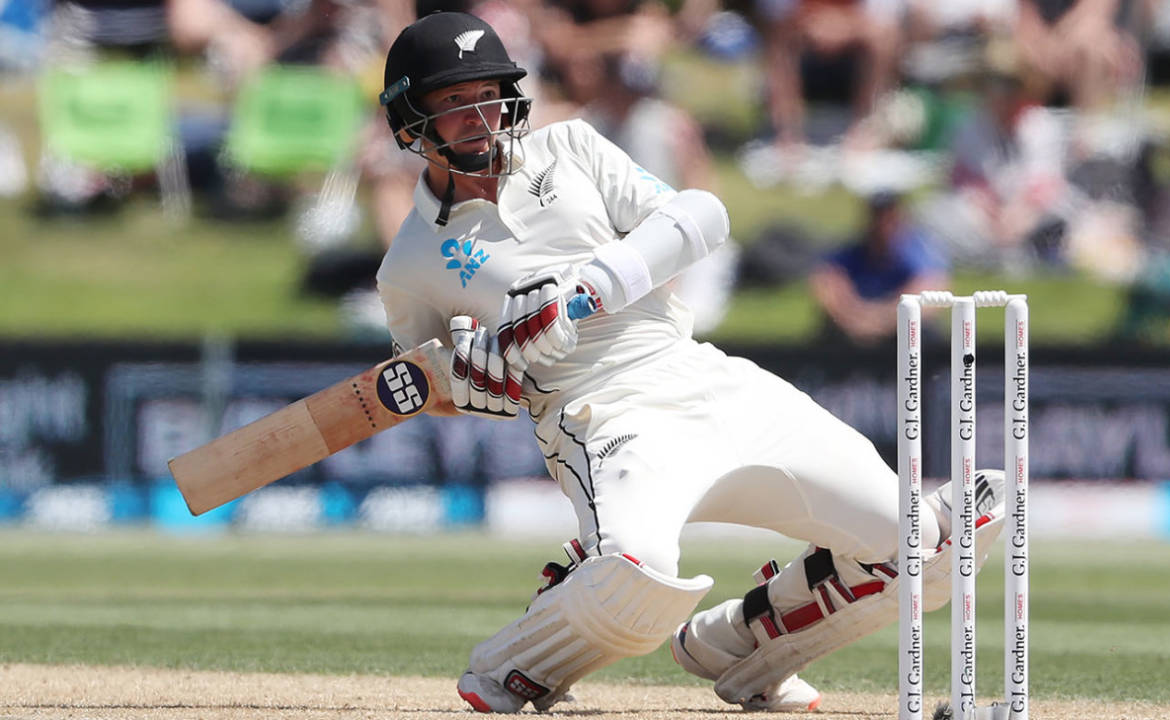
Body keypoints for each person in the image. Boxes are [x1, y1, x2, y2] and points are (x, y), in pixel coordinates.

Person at [375, 12, 1008, 714]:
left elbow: (699, 216)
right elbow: (429, 382)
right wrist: (471, 376)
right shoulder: (408, 265)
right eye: (456, 101)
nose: (481, 116)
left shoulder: (572, 147)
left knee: (923, 549)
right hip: (600, 414)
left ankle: (737, 644)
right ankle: (512, 665)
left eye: (490, 94)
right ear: (412, 117)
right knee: (637, 584)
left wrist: (580, 292)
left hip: (703, 375)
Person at [811, 191, 950, 344]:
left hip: (899, 328)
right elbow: (827, 284)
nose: (884, 224)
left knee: (921, 330)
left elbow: (929, 289)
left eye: (889, 217)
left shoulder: (917, 250)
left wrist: (881, 319)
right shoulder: (852, 250)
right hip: (854, 327)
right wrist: (855, 318)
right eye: (879, 217)